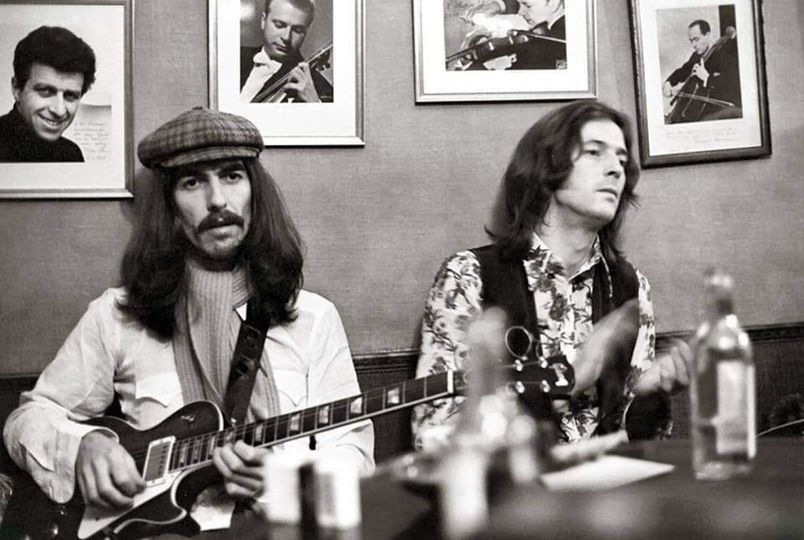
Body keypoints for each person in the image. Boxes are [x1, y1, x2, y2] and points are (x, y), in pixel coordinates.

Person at [2, 107, 373, 535]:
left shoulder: (314, 317)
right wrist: (81, 447)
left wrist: (282, 480)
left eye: (232, 175)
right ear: (170, 208)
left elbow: (356, 459)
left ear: (255, 191)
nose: (217, 200)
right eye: (193, 182)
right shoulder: (116, 314)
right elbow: (27, 419)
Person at [412, 101, 691, 450]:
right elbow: (436, 438)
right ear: (546, 168)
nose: (616, 170)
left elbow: (636, 442)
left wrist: (650, 396)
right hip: (512, 498)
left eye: (621, 159)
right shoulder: (469, 277)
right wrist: (566, 382)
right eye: (594, 152)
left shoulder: (632, 288)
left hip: (610, 496)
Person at [0, 26, 96, 162]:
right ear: (16, 89)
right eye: (45, 91)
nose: (59, 111)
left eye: (70, 96)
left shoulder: (71, 154)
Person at [240, 0, 333, 103]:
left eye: (297, 30)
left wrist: (314, 101)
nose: (286, 37)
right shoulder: (236, 56)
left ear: (306, 32)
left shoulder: (318, 88)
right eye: (279, 25)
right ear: (263, 20)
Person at [663, 19, 741, 123]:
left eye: (696, 39)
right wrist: (669, 82)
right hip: (696, 110)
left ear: (707, 35)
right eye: (691, 41)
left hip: (714, 111)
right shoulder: (697, 56)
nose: (694, 45)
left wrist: (707, 78)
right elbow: (684, 70)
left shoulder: (724, 56)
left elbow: (732, 84)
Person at [453, 0, 565, 71]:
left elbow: (504, 89)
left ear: (554, 3)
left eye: (527, 5)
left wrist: (468, 64)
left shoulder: (546, 46)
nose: (521, 13)